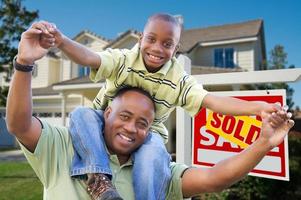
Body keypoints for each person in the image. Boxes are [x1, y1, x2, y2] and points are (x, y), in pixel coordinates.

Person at [34, 13, 286, 200]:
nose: (157, 48)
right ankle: (99, 179)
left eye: (167, 44)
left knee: (155, 152)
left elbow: (211, 101)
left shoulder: (177, 79)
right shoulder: (124, 59)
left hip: (148, 135)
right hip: (102, 121)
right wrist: (62, 41)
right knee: (81, 114)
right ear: (141, 38)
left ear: (176, 49)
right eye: (151, 39)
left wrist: (257, 108)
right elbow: (91, 57)